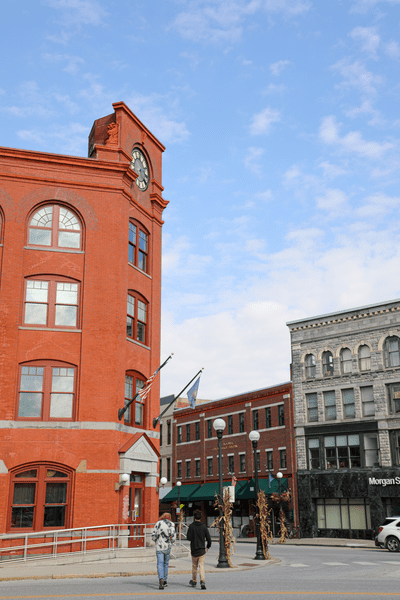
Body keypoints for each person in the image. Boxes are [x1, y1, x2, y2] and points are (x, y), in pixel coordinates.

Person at [186, 509, 212, 590]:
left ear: (194, 517)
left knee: (194, 566)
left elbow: (188, 538)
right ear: (200, 517)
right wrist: (208, 546)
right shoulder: (203, 527)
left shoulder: (191, 526)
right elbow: (209, 539)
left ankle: (194, 580)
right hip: (201, 550)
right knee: (201, 566)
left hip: (194, 549)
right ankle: (202, 581)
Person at [151, 512, 176, 589]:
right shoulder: (171, 524)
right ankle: (165, 580)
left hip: (159, 546)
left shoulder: (158, 523)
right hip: (167, 547)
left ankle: (161, 579)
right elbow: (174, 537)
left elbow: (154, 535)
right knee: (166, 563)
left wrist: (156, 540)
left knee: (160, 563)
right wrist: (170, 542)